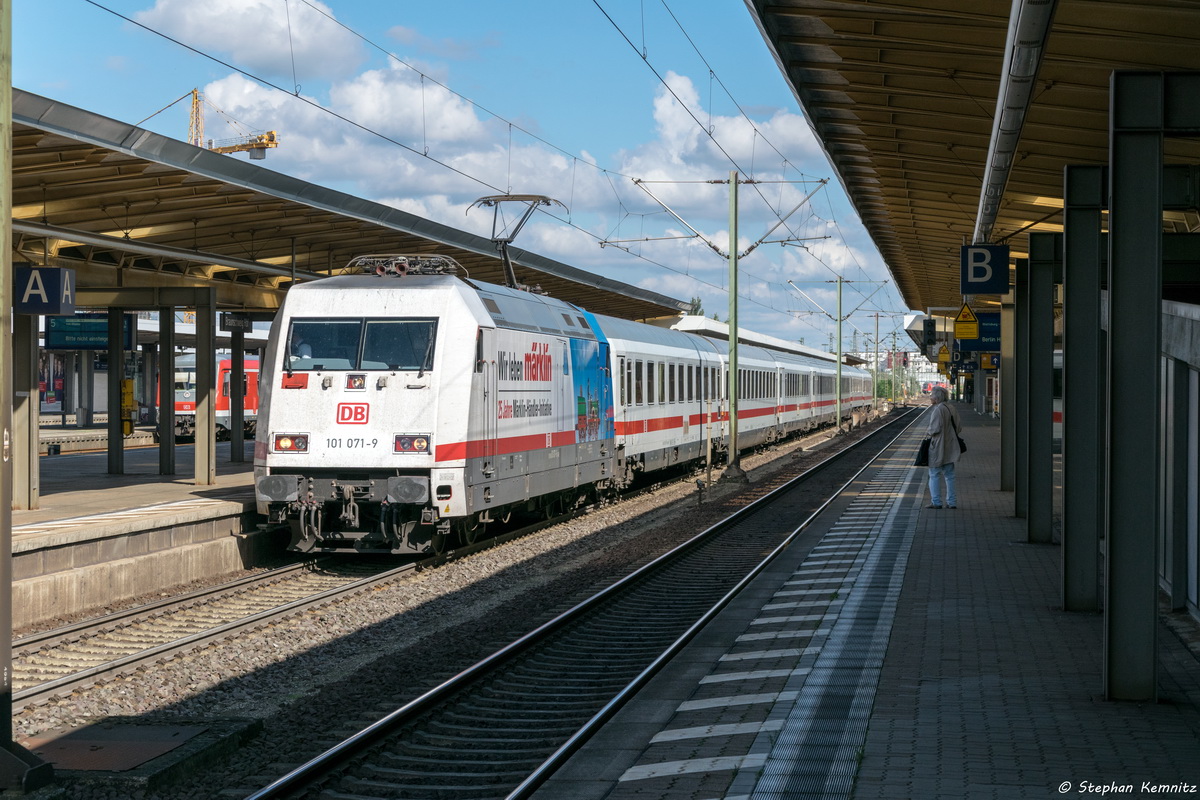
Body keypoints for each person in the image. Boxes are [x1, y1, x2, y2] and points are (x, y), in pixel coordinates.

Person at [925, 385, 961, 509]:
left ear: (937, 397)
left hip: (938, 446)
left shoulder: (938, 409)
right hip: (951, 445)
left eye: (931, 395)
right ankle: (952, 502)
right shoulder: (952, 408)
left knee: (934, 473)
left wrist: (928, 432)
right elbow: (959, 427)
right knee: (950, 475)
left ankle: (936, 502)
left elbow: (934, 429)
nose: (930, 398)